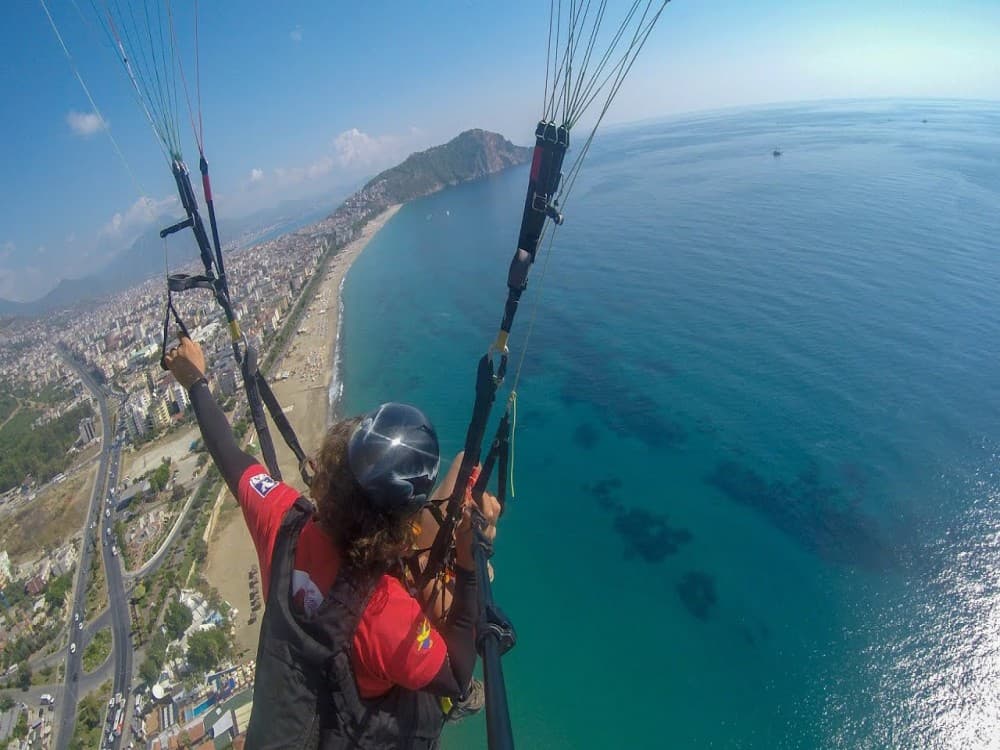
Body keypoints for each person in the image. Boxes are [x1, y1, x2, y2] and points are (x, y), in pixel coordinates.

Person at [164, 334, 500, 748]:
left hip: (296, 710)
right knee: (460, 572)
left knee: (462, 470)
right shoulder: (384, 614)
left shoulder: (283, 522)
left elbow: (231, 457)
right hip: (364, 726)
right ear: (401, 523)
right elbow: (457, 676)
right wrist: (467, 565)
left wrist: (196, 382)